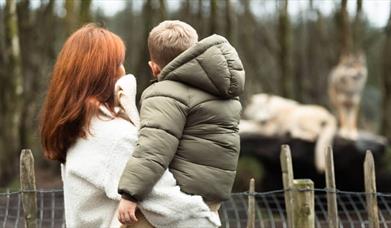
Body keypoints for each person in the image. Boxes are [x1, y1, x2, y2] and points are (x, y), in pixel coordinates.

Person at [40, 23, 219, 228]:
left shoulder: (79, 130)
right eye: (118, 64)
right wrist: (209, 219)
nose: (123, 70)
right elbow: (168, 205)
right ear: (102, 75)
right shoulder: (114, 137)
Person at [118, 20, 245, 225]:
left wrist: (130, 194)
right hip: (211, 203)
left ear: (154, 67)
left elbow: (154, 148)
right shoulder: (224, 93)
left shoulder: (164, 93)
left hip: (176, 202)